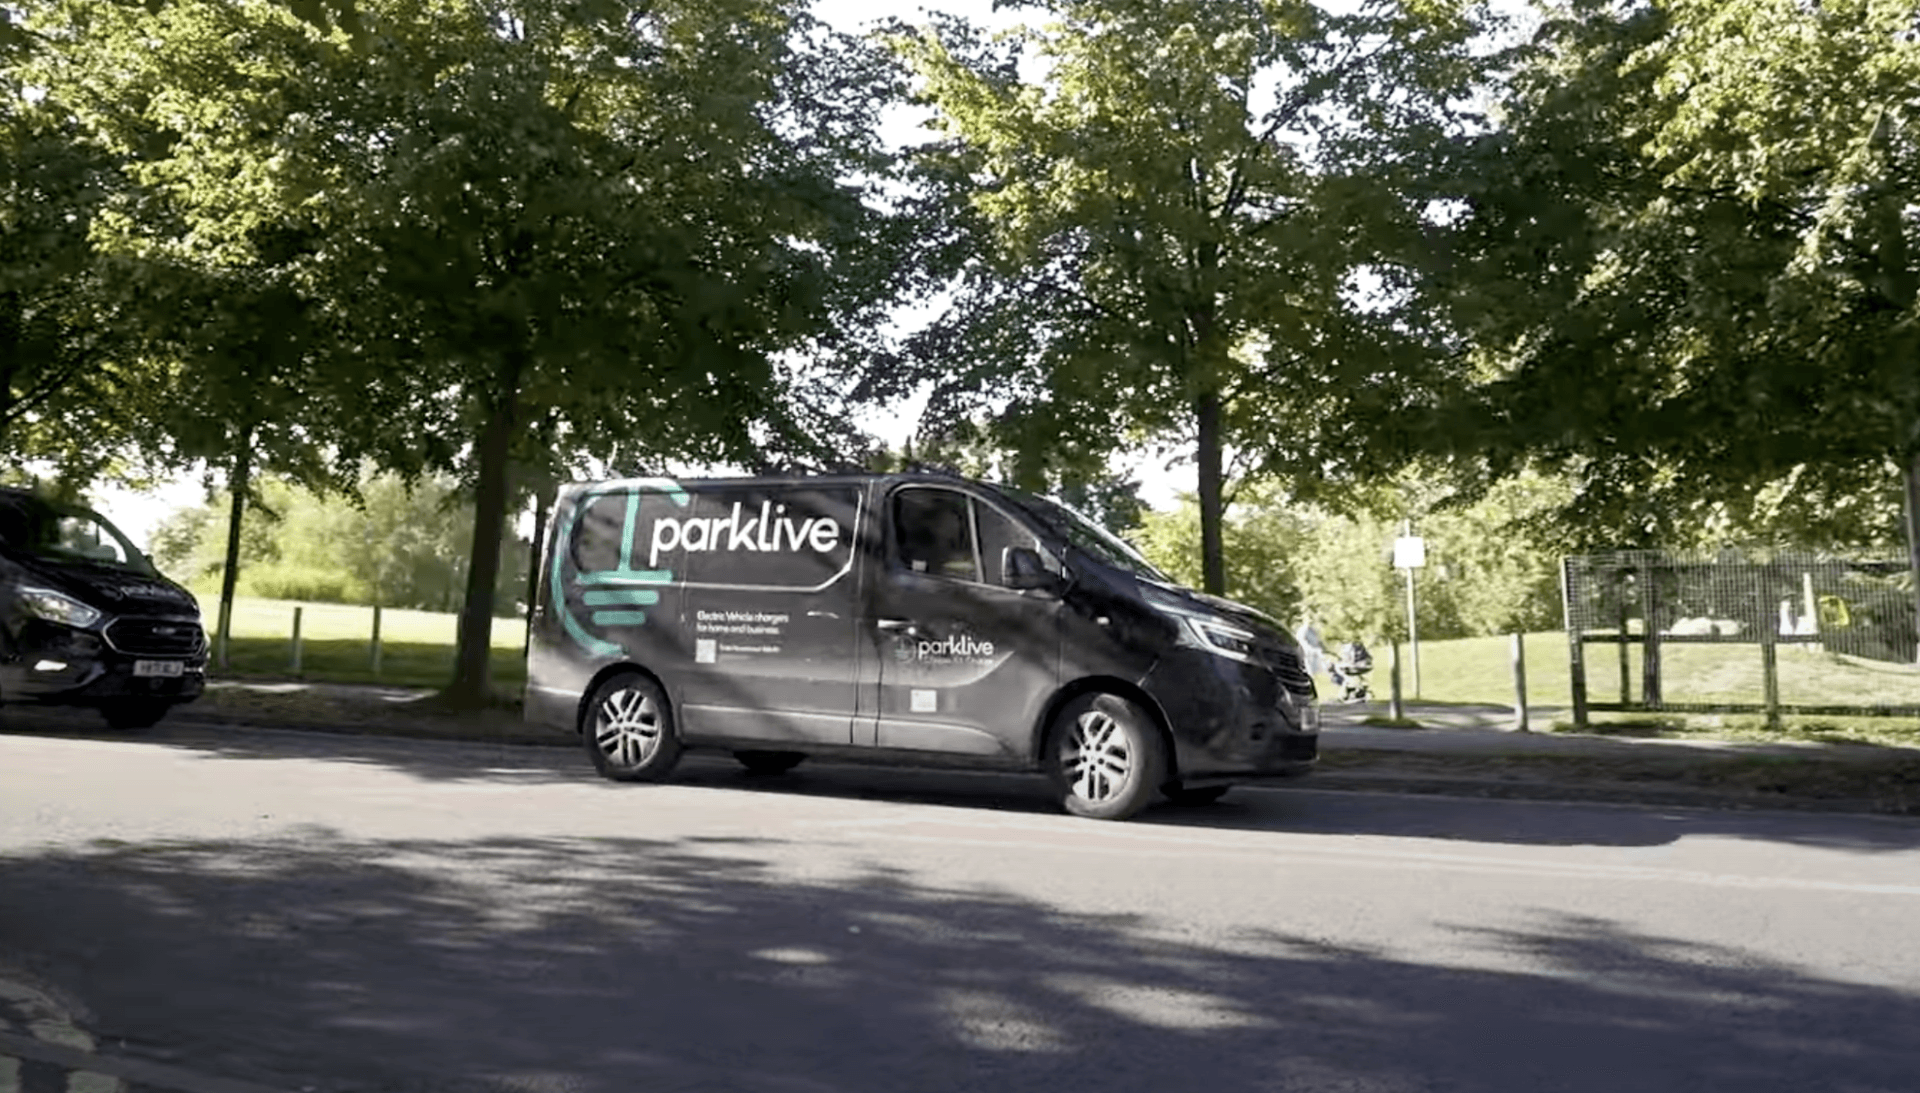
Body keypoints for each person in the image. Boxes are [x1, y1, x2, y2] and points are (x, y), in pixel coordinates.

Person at [1293, 615, 1328, 680]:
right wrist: (1311, 649)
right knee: (1309, 669)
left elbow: (1317, 641)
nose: (1310, 622)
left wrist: (1322, 647)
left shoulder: (1313, 630)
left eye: (1311, 620)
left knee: (1320, 668)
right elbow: (1302, 641)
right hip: (1307, 653)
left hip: (1315, 653)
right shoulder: (1302, 630)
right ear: (1305, 621)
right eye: (1309, 620)